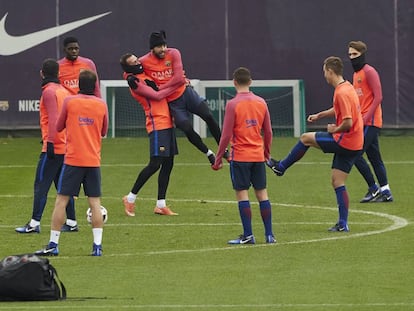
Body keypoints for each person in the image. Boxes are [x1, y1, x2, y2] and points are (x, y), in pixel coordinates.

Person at [267, 56, 363, 232]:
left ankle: (280, 167)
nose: (324, 76)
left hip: (345, 141)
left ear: (330, 71)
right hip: (356, 143)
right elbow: (340, 109)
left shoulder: (341, 92)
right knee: (337, 181)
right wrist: (320, 115)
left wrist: (334, 130)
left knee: (305, 138)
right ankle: (343, 224)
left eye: (324, 72)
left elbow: (348, 122)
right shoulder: (348, 87)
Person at [35, 69, 108, 256]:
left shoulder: (70, 101)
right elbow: (104, 131)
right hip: (93, 160)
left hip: (73, 159)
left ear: (78, 84)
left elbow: (58, 126)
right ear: (94, 86)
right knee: (95, 203)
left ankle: (53, 244)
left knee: (61, 201)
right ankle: (97, 246)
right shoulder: (101, 105)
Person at [139, 30, 225, 165]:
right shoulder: (143, 61)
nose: (163, 49)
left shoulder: (174, 53)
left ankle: (223, 150)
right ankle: (208, 153)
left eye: (164, 45)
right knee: (186, 128)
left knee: (207, 115)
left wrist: (159, 89)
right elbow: (129, 72)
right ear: (152, 48)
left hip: (186, 93)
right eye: (159, 46)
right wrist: (130, 78)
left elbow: (179, 79)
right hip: (173, 103)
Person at [212, 67, 275, 244]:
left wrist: (217, 159)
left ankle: (248, 236)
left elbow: (225, 135)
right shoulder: (261, 102)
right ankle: (269, 234)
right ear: (251, 82)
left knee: (242, 194)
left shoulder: (233, 104)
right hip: (257, 156)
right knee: (262, 194)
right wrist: (266, 152)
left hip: (240, 156)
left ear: (234, 82)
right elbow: (268, 131)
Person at [15, 59, 78, 234]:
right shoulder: (63, 91)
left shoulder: (49, 92)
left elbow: (53, 118)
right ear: (58, 74)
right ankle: (72, 222)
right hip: (64, 145)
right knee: (63, 187)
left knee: (41, 185)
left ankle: (34, 223)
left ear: (42, 73)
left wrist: (50, 142)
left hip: (54, 147)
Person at [119, 53, 182, 217]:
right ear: (128, 68)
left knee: (168, 163)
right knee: (155, 164)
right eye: (133, 62)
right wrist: (178, 82)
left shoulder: (144, 74)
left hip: (167, 122)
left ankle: (160, 205)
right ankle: (130, 198)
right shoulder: (134, 82)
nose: (138, 62)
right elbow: (157, 95)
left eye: (137, 59)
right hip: (156, 123)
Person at [348, 40, 393, 203]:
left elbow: (378, 97)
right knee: (375, 157)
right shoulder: (355, 74)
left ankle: (373, 188)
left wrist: (366, 118)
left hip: (371, 122)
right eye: (350, 55)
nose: (352, 58)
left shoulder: (369, 71)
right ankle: (386, 192)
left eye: (355, 54)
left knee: (354, 153)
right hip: (363, 121)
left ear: (362, 54)